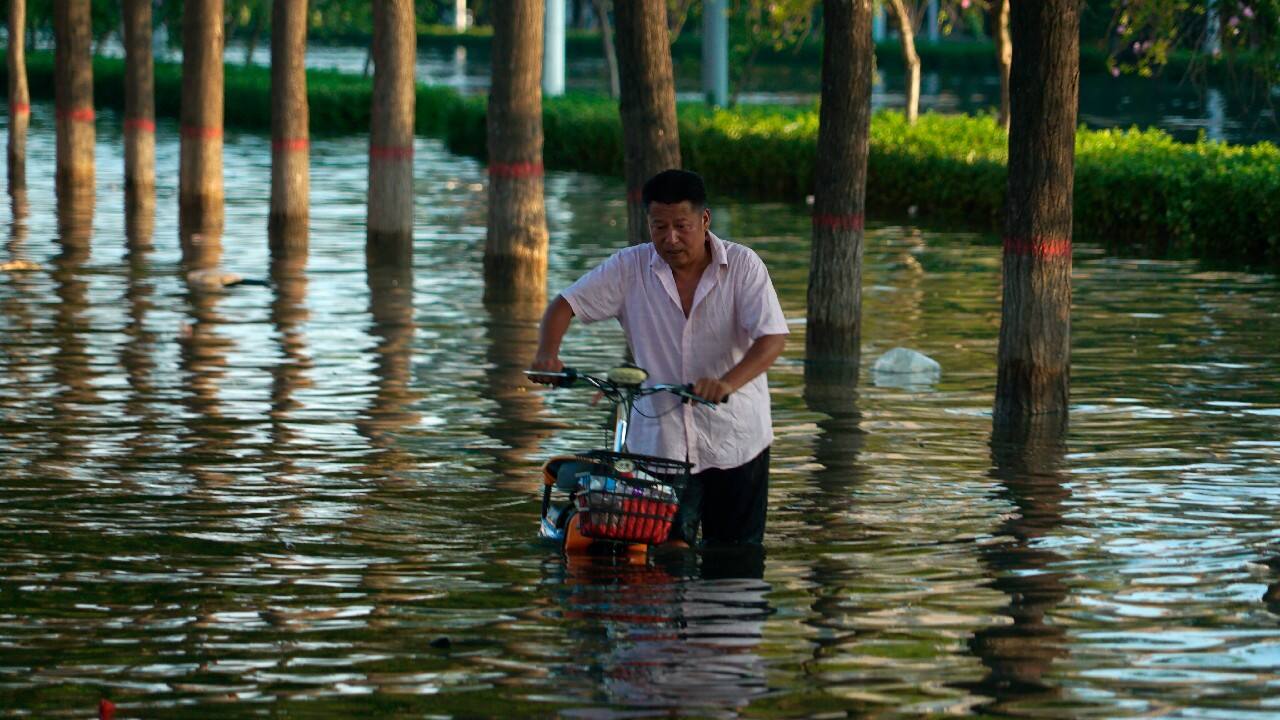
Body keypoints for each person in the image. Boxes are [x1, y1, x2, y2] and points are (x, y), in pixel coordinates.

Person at [530, 169, 788, 547]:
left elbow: (772, 337)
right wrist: (546, 355)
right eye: (659, 226)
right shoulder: (628, 267)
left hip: (736, 440)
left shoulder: (744, 266)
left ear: (704, 220)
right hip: (659, 448)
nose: (671, 238)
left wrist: (726, 383)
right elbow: (564, 305)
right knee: (659, 559)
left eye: (682, 225)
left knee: (735, 560)